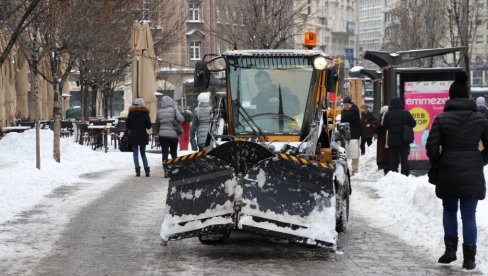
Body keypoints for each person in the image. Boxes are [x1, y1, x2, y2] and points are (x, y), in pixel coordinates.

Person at [426, 71, 488, 270]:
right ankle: (469, 258)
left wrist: (439, 162)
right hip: (472, 170)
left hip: (448, 170)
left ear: (450, 97)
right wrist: (480, 160)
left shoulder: (441, 119)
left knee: (450, 211)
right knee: (469, 215)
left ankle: (450, 251)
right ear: (468, 97)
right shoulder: (480, 120)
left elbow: (431, 148)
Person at [382, 97, 416, 176]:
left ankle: (394, 174)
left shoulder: (388, 114)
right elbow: (413, 124)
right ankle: (405, 174)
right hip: (404, 140)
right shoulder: (406, 113)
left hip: (392, 140)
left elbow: (385, 126)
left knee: (392, 158)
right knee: (404, 158)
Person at [126, 98, 152, 177]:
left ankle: (137, 170)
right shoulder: (145, 113)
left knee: (135, 154)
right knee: (143, 153)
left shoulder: (131, 113)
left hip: (133, 136)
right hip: (142, 136)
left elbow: (127, 125)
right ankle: (147, 170)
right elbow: (149, 126)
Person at [155, 95, 184, 164]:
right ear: (171, 102)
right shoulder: (174, 111)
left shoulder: (159, 112)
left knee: (164, 153)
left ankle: (166, 170)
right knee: (173, 152)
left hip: (163, 136)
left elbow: (157, 124)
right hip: (173, 136)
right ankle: (174, 168)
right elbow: (182, 119)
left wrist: (157, 133)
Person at [340, 97, 361, 175]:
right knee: (347, 152)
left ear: (350, 104)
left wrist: (343, 112)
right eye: (344, 105)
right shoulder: (347, 110)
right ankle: (348, 169)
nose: (345, 106)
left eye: (346, 105)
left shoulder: (354, 110)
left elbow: (346, 116)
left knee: (354, 152)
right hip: (348, 135)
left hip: (354, 135)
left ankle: (354, 170)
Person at [374, 105, 390, 174]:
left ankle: (386, 171)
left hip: (384, 141)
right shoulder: (380, 119)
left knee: (385, 157)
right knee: (386, 157)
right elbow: (376, 129)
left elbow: (376, 130)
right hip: (385, 141)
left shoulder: (389, 118)